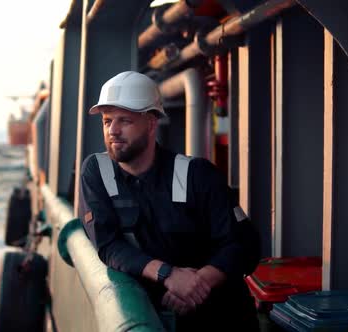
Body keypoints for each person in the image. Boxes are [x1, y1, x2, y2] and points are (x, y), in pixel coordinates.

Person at [78, 71, 260, 331]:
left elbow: (245, 244)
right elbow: (108, 245)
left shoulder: (197, 175)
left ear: (152, 123)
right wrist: (168, 275)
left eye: (124, 121)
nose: (113, 131)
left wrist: (198, 283)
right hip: (161, 317)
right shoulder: (97, 172)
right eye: (107, 121)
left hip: (223, 318)